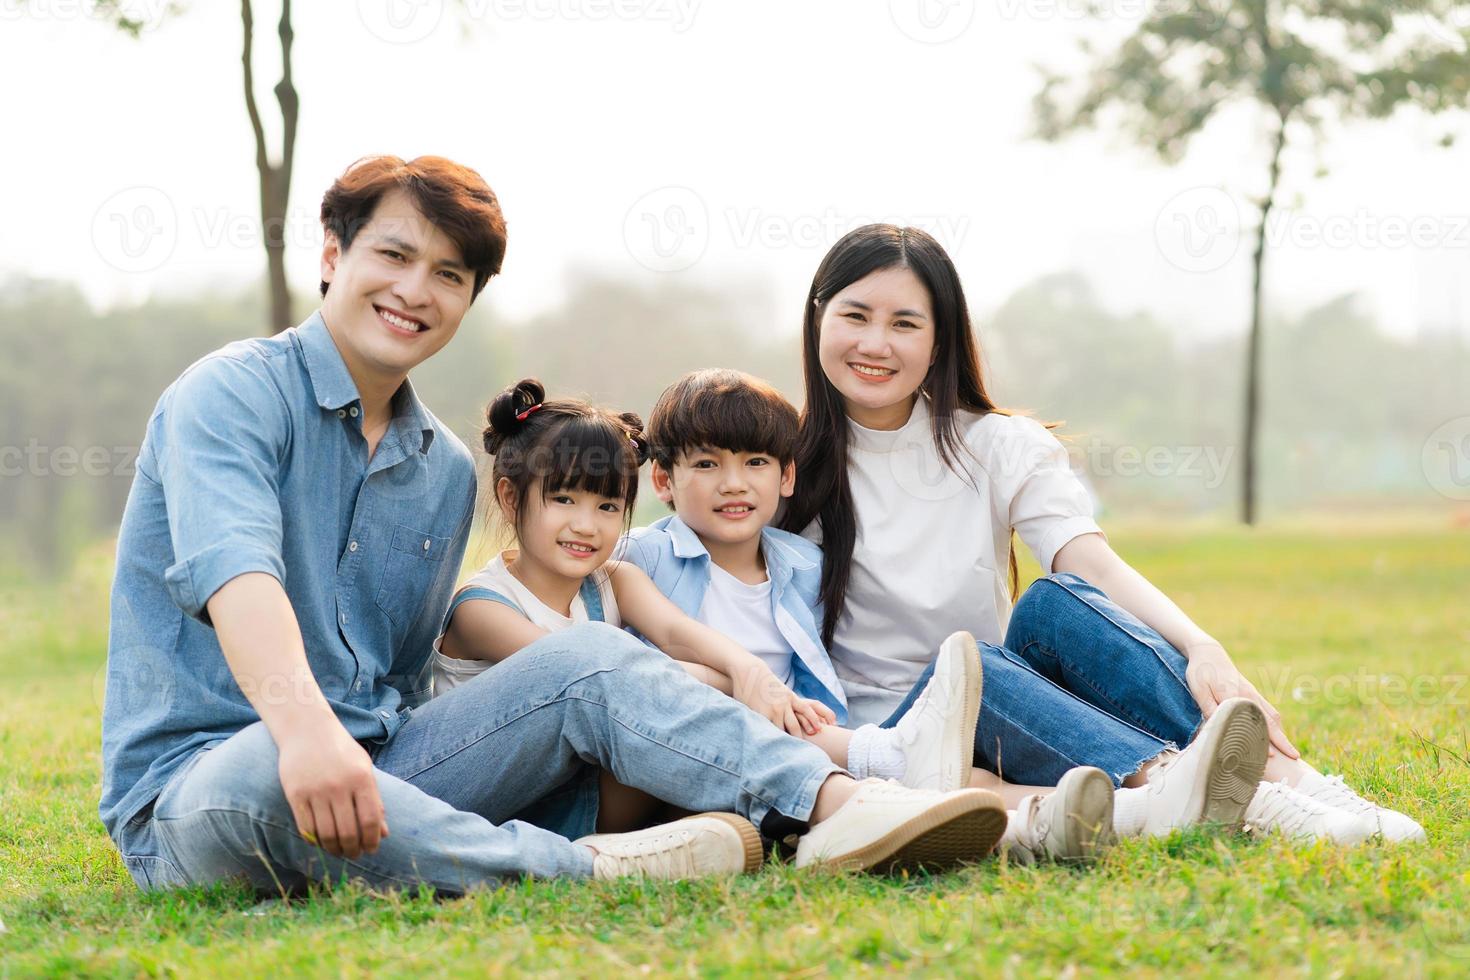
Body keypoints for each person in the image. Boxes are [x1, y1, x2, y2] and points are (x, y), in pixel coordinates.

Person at [97, 157, 1009, 896]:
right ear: (333, 253)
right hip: (209, 782)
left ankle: (841, 802)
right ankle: (582, 868)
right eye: (393, 256)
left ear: (467, 299)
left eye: (448, 275)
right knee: (263, 765)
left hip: (392, 771)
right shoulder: (232, 395)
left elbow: (408, 677)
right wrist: (303, 731)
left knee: (586, 659)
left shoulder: (443, 470)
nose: (416, 291)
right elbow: (237, 577)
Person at [776, 223, 1426, 846]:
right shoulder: (777, 465)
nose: (875, 343)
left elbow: (1093, 566)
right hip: (892, 729)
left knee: (1055, 602)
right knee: (973, 663)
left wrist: (1202, 645)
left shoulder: (996, 443)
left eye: (905, 323)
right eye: (855, 316)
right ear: (818, 317)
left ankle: (1304, 785)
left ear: (939, 341)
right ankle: (1251, 802)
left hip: (994, 697)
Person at [624, 367, 1284, 862]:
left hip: (820, 741)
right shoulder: (645, 558)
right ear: (663, 481)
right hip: (734, 756)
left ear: (786, 478)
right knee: (921, 767)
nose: (732, 483)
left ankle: (1115, 813)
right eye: (706, 465)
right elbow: (626, 660)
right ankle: (1147, 796)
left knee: (974, 780)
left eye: (755, 464)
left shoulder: (800, 562)